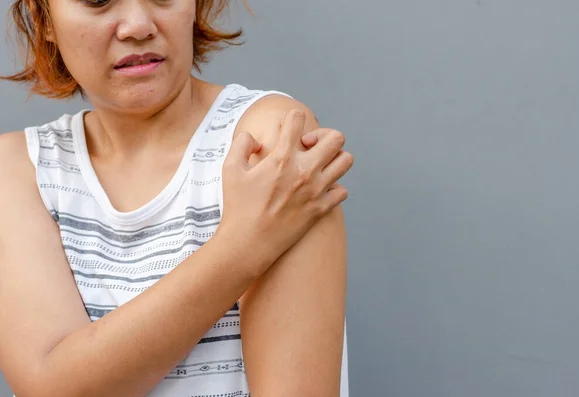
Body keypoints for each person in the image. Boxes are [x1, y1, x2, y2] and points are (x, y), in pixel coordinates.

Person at [0, 0, 354, 396]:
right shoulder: (18, 170)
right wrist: (242, 248)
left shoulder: (268, 139)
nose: (137, 25)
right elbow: (50, 386)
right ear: (42, 18)